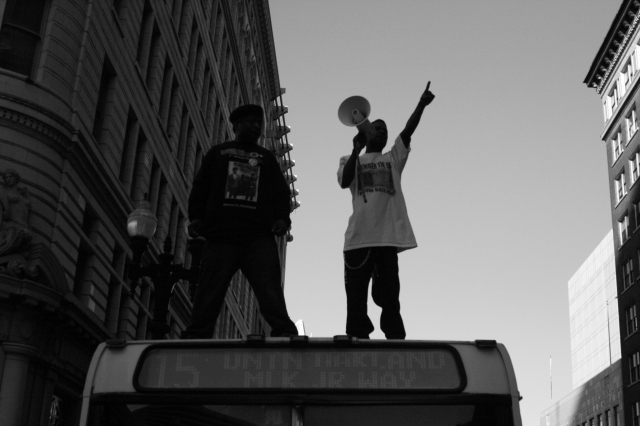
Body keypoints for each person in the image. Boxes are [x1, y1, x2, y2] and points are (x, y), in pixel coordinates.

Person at [182, 104, 298, 338]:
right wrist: (196, 217)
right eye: (250, 121)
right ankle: (198, 334)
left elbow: (281, 192)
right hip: (221, 235)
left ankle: (284, 332)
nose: (256, 126)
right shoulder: (218, 153)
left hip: (258, 236)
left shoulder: (266, 158)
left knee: (269, 287)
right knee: (210, 288)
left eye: (259, 123)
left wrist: (283, 219)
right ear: (236, 125)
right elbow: (201, 187)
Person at [337, 82, 435, 340]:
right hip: (358, 240)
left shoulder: (392, 159)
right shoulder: (350, 160)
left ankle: (394, 339)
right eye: (376, 129)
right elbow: (345, 182)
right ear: (366, 131)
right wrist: (355, 149)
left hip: (386, 239)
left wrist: (421, 105)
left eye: (384, 131)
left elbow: (407, 132)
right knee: (356, 297)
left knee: (390, 295)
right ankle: (358, 336)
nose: (380, 133)